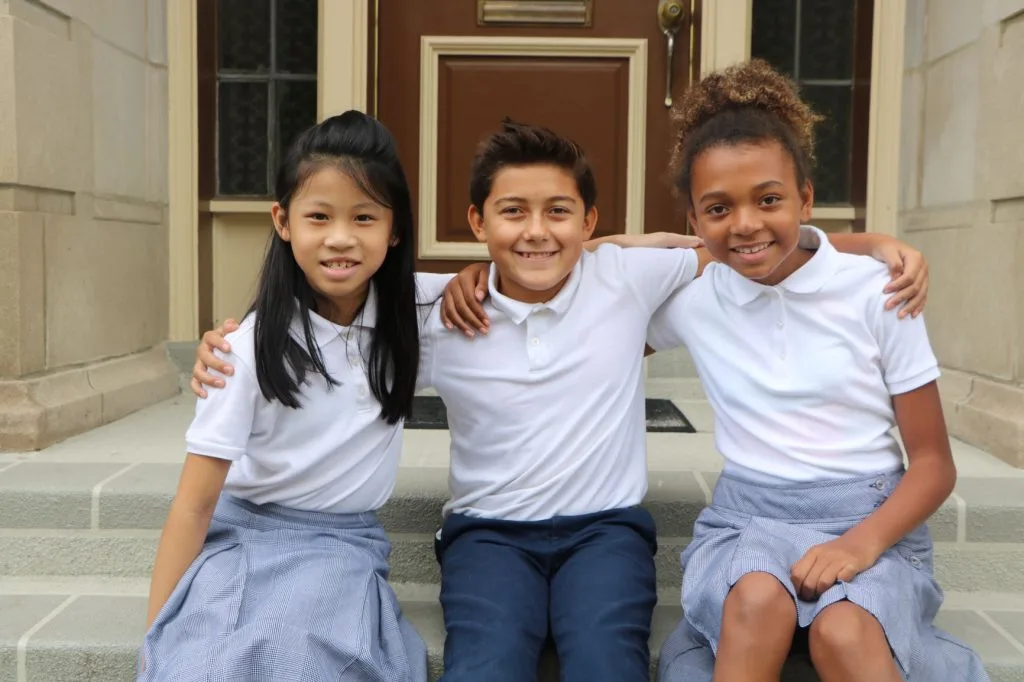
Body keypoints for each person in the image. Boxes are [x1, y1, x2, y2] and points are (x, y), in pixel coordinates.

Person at [190, 119, 931, 682]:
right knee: (485, 665)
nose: (536, 231)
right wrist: (231, 341)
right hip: (488, 535)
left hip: (605, 532)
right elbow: (336, 313)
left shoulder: (625, 279)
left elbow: (742, 240)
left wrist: (872, 245)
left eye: (559, 212)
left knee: (609, 662)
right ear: (477, 225)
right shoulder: (442, 309)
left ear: (590, 223)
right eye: (512, 212)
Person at [640, 60, 989, 681]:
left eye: (768, 199)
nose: (744, 223)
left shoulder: (881, 292)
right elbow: (580, 272)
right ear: (692, 223)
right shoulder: (697, 297)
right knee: (755, 602)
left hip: (871, 517)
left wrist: (859, 544)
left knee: (845, 630)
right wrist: (486, 273)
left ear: (806, 198)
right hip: (749, 521)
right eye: (717, 209)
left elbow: (934, 463)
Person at [139, 111, 453, 682]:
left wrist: (650, 242)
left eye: (364, 217)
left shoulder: (420, 312)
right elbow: (194, 504)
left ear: (396, 227)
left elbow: (539, 265)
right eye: (319, 216)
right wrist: (155, 635)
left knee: (305, 656)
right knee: (202, 658)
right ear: (283, 221)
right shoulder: (246, 349)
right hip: (238, 535)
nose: (341, 238)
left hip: (340, 541)